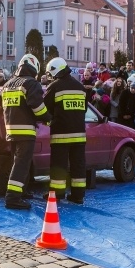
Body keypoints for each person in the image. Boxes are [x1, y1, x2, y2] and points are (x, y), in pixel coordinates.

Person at [1, 54, 50, 209]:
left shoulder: (8, 84)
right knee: (21, 164)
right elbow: (37, 107)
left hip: (11, 131)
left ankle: (22, 190)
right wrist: (48, 118)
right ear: (34, 68)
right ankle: (13, 198)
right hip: (25, 131)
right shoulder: (31, 84)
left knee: (19, 162)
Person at [43, 58, 87, 204]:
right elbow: (85, 109)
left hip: (60, 135)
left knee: (58, 166)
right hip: (79, 135)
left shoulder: (54, 87)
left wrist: (48, 120)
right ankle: (78, 195)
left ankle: (57, 195)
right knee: (78, 166)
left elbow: (45, 108)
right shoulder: (80, 87)